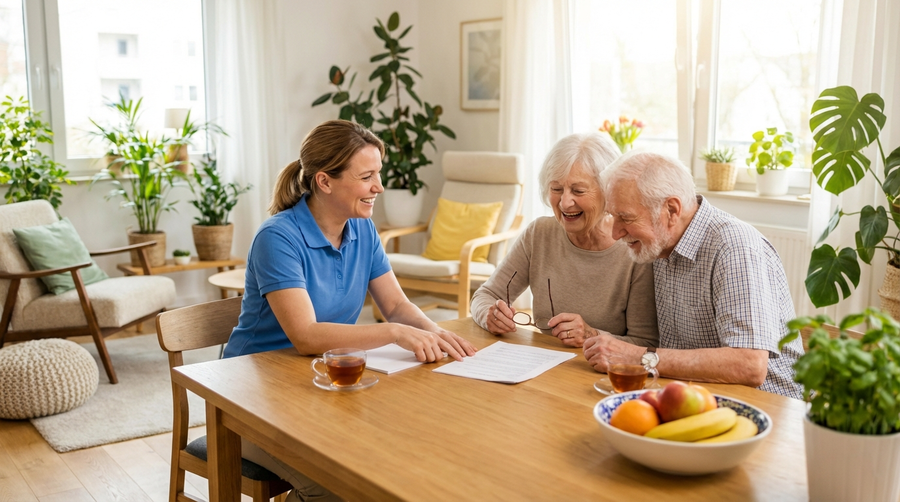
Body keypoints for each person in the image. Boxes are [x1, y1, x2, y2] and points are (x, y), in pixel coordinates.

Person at [224, 120, 476, 501]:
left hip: (321, 388)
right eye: (367, 177)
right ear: (325, 182)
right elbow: (306, 335)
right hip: (249, 401)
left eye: (379, 174)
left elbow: (394, 305)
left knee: (398, 462)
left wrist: (433, 333)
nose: (379, 187)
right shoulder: (278, 238)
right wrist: (393, 333)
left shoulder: (362, 230)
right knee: (341, 485)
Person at [584, 151, 803, 399]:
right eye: (614, 216)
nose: (615, 233)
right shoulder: (659, 245)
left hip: (769, 408)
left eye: (626, 218)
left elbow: (750, 365)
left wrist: (639, 357)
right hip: (696, 397)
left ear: (671, 210)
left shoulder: (735, 247)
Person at [470, 132, 658, 352]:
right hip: (542, 366)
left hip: (598, 376)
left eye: (578, 190)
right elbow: (485, 296)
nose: (565, 202)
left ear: (608, 190)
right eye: (556, 189)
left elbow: (646, 345)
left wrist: (592, 335)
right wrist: (488, 315)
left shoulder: (634, 250)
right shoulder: (539, 234)